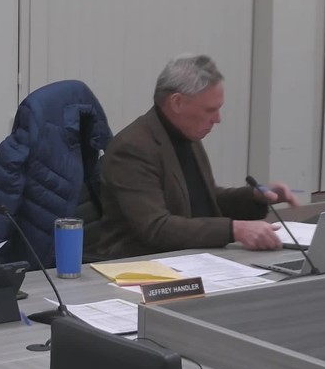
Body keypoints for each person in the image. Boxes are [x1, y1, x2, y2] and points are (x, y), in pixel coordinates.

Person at [97, 54, 298, 258]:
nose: (217, 119)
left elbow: (206, 199)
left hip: (191, 256)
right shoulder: (132, 148)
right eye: (210, 110)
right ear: (177, 102)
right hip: (141, 262)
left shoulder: (185, 133)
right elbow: (156, 227)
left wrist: (255, 196)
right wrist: (235, 230)